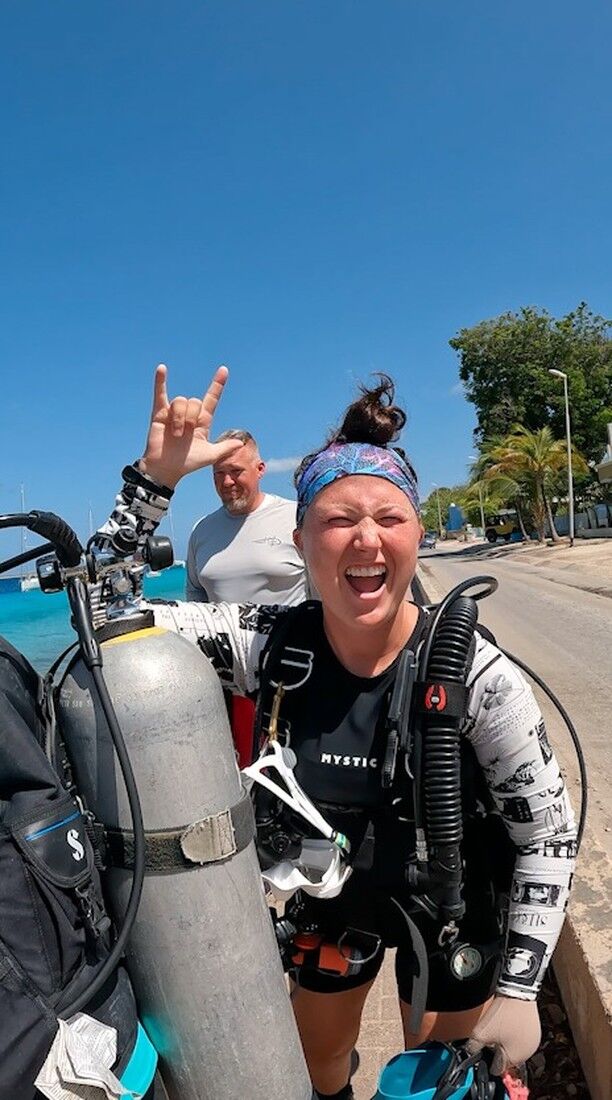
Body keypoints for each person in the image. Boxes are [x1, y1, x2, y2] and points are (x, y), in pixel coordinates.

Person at [98, 364, 576, 1100]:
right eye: (337, 519)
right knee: (316, 1066)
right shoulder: (266, 644)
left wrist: (519, 986)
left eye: (389, 519)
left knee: (434, 1085)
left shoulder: (476, 675)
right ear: (299, 539)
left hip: (448, 905)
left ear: (417, 531)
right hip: (331, 900)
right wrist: (152, 483)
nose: (366, 541)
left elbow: (545, 832)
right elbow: (101, 616)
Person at [186, 427, 307, 606]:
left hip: (291, 633)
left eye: (236, 471)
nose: (227, 481)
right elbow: (195, 592)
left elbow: (326, 588)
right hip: (220, 634)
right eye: (219, 473)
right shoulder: (201, 530)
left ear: (260, 469)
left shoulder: (297, 518)